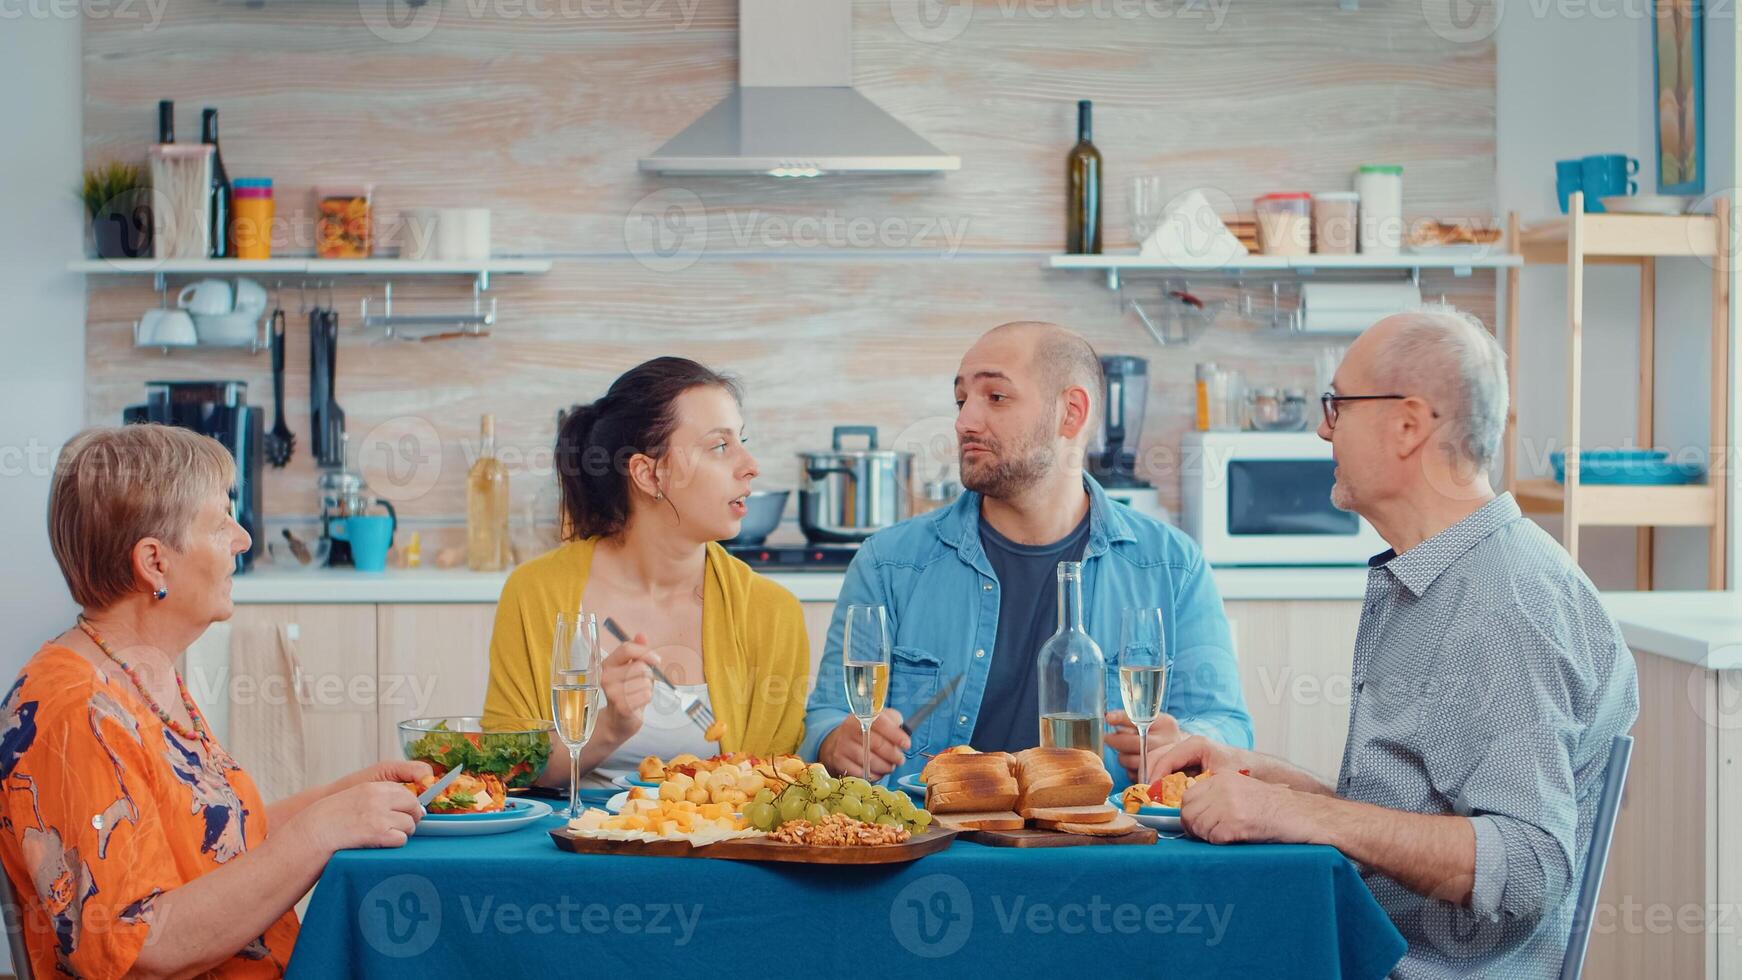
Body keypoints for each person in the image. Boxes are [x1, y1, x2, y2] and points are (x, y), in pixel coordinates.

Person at [1154, 307, 1639, 977]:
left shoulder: (1503, 603)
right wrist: (1261, 777)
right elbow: (1405, 825)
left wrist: (1294, 813)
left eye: (1338, 405)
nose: (1323, 428)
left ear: (1408, 424)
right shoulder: (1438, 578)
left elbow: (1528, 867)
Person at [0, 425, 428, 978]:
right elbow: (142, 948)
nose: (243, 538)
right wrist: (321, 832)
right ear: (155, 563)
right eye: (220, 521)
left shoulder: (142, 672)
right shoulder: (76, 713)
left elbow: (214, 840)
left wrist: (343, 798)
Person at [801, 321, 1252, 786]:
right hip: (935, 846)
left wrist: (1184, 742)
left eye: (995, 397)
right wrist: (838, 742)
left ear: (1071, 413)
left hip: (1104, 848)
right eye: (961, 400)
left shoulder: (1172, 567)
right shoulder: (888, 564)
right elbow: (826, 718)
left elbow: (1227, 726)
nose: (963, 422)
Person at [484, 357, 810, 789]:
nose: (751, 465)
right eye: (719, 446)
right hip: (572, 851)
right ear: (648, 473)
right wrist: (607, 729)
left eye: (742, 441)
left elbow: (775, 785)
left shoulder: (771, 613)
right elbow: (505, 773)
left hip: (721, 855)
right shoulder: (537, 594)